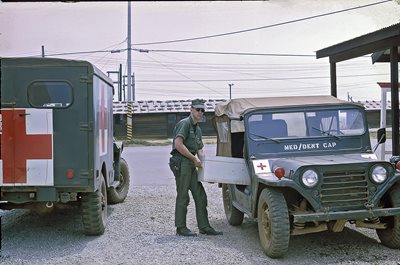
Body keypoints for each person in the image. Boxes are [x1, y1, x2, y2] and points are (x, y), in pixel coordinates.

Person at [169, 99, 223, 237]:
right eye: (198, 110)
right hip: (181, 162)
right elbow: (178, 144)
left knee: (200, 195)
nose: (200, 113)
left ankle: (204, 227)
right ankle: (181, 228)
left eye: (202, 110)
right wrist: (194, 159)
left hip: (191, 163)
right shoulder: (185, 124)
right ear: (191, 109)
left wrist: (206, 167)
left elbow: (200, 150)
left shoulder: (197, 128)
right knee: (183, 195)